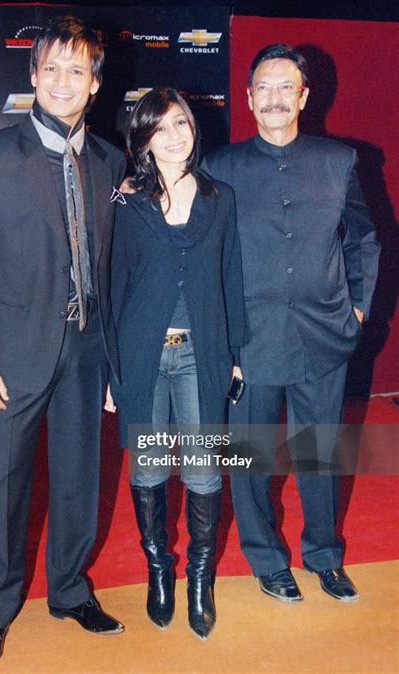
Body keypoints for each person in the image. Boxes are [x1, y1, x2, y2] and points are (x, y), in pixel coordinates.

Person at [0, 16, 126, 666]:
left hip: (85, 354)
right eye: (51, 68)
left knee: (79, 482)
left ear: (95, 83)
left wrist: (113, 363)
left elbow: (115, 272)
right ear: (32, 76)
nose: (62, 81)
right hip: (11, 356)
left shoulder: (109, 162)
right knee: (6, 487)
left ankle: (71, 591)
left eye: (77, 69)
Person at [203, 43, 380, 603]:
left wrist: (357, 308)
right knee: (252, 458)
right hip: (250, 339)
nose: (275, 98)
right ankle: (266, 559)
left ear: (303, 96)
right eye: (264, 88)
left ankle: (325, 555)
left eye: (286, 87)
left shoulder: (339, 161)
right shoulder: (220, 167)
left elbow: (366, 238)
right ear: (249, 99)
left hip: (322, 336)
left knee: (319, 453)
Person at [111, 87, 248, 639]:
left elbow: (231, 276)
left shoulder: (222, 197)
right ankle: (158, 571)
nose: (174, 136)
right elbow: (114, 282)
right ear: (143, 139)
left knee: (203, 470)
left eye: (182, 124)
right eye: (160, 127)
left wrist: (234, 354)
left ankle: (198, 577)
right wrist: (111, 370)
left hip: (202, 355)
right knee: (146, 469)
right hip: (142, 357)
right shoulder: (126, 201)